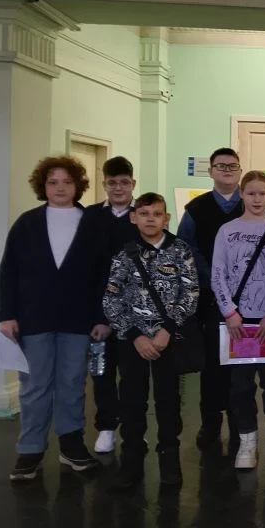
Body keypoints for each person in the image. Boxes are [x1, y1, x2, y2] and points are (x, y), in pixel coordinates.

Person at [0, 156, 110, 481]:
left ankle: (71, 445)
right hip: (34, 318)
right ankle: (30, 450)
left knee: (72, 383)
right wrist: (6, 315)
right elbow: (9, 270)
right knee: (35, 385)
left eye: (67, 182)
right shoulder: (27, 223)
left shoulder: (93, 224)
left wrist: (102, 317)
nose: (60, 188)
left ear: (78, 186)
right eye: (53, 182)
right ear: (42, 186)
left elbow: (104, 275)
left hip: (78, 319)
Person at [102, 193, 198, 489]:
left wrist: (167, 329)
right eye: (144, 214)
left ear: (166, 218)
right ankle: (131, 461)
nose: (150, 219)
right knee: (132, 401)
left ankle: (169, 459)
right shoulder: (124, 253)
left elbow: (190, 293)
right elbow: (111, 298)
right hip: (133, 341)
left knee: (168, 401)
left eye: (157, 214)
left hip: (169, 339)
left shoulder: (180, 250)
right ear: (134, 217)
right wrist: (135, 335)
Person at [212, 171, 265, 470]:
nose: (257, 199)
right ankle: (247, 441)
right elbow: (218, 273)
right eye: (251, 193)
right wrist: (230, 313)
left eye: (262, 194)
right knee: (241, 385)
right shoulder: (226, 231)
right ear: (242, 195)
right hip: (238, 323)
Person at [177, 147, 245, 452]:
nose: (227, 170)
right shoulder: (196, 209)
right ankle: (210, 422)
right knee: (212, 364)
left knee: (240, 362)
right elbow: (185, 248)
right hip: (208, 298)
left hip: (246, 299)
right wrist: (215, 278)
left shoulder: (252, 203)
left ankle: (239, 422)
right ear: (211, 171)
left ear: (240, 170)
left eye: (232, 166)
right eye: (221, 166)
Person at [87, 155, 140, 455]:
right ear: (104, 184)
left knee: (133, 377)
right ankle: (106, 427)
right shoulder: (90, 217)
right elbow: (86, 271)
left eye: (124, 182)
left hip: (134, 315)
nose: (118, 188)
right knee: (102, 374)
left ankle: (133, 429)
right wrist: (100, 316)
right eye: (112, 183)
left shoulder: (142, 215)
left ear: (133, 184)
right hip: (99, 315)